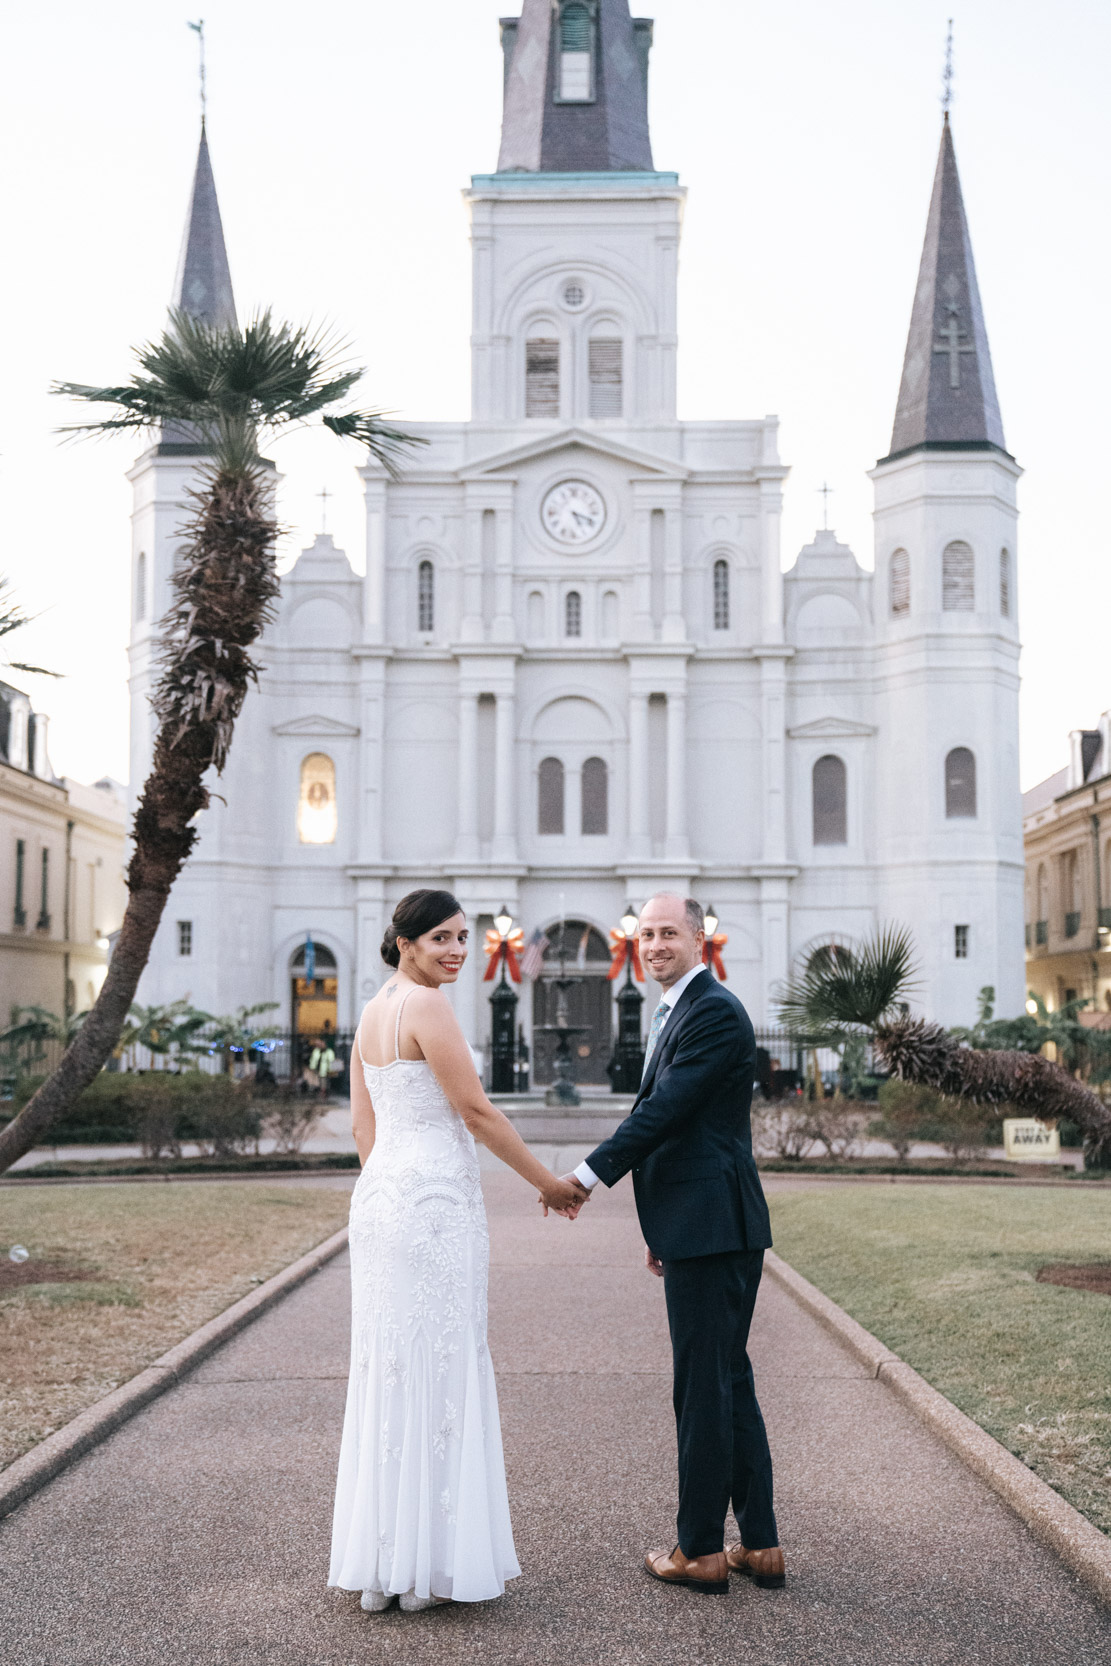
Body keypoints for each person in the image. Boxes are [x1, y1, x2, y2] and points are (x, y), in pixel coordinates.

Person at [329, 889, 582, 1614]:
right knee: (439, 1367)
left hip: (381, 1202)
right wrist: (549, 1183)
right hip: (433, 1206)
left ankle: (384, 1568)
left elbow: (360, 1126)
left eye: (463, 937)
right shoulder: (427, 1007)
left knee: (390, 1367)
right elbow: (475, 1112)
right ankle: (429, 1568)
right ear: (404, 942)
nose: (456, 950)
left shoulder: (373, 1011)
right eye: (440, 937)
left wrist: (388, 1187)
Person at [564, 893, 784, 1595]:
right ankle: (760, 1543)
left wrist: (584, 1175)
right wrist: (664, 1229)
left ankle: (699, 1551)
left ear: (698, 939)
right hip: (702, 1224)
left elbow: (664, 1113)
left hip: (713, 1223)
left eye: (668, 933)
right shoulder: (680, 1010)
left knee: (702, 1388)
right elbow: (676, 1126)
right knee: (728, 1381)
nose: (654, 943)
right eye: (646, 933)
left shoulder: (712, 1010)